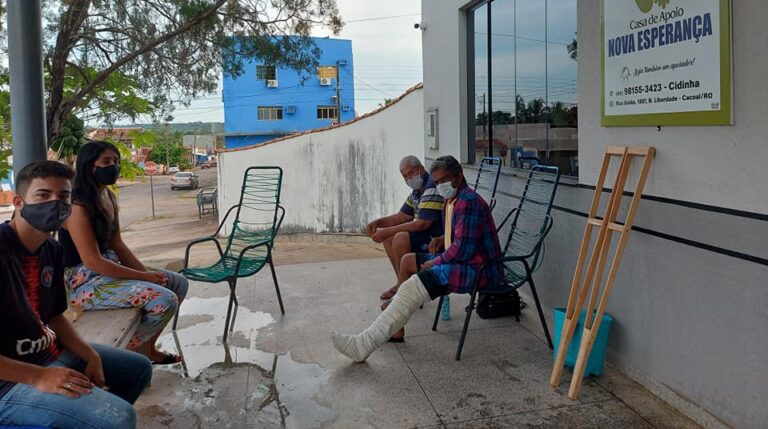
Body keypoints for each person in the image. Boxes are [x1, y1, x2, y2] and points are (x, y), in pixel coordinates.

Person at [0, 160, 152, 428]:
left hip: (47, 353)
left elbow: (56, 316)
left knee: (138, 369)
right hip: (10, 380)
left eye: (64, 196)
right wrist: (38, 377)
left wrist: (89, 354)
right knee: (118, 418)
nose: (55, 203)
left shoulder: (52, 250)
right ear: (19, 202)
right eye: (43, 195)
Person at [332, 155, 503, 362]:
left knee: (415, 283)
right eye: (438, 181)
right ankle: (392, 331)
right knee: (408, 266)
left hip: (479, 270)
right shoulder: (454, 199)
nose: (441, 186)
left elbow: (463, 250)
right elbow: (461, 240)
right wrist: (441, 239)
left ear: (459, 176)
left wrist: (436, 261)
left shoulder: (467, 203)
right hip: (466, 261)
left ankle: (363, 345)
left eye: (445, 180)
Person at [59, 141, 188, 364]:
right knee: (165, 300)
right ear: (89, 166)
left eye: (116, 162)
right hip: (84, 283)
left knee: (176, 283)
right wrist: (144, 277)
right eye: (106, 162)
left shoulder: (107, 196)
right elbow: (92, 261)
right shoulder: (77, 206)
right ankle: (125, 354)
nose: (114, 167)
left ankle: (147, 348)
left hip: (109, 270)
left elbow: (117, 243)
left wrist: (147, 273)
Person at [365, 155, 444, 300]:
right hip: (425, 236)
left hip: (437, 240)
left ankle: (403, 293)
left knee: (400, 237)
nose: (409, 178)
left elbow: (422, 224)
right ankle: (401, 284)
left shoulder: (431, 187)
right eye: (405, 176)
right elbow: (401, 216)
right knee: (389, 237)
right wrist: (377, 223)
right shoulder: (416, 191)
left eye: (411, 173)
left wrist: (387, 230)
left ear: (420, 169)